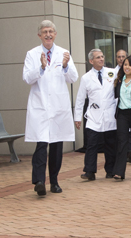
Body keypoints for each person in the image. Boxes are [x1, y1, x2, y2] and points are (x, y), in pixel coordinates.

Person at [23, 20, 78, 196]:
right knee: (41, 145)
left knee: (56, 147)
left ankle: (54, 181)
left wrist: (65, 65)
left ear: (55, 34)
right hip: (40, 107)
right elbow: (27, 78)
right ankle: (39, 181)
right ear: (39, 35)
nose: (48, 34)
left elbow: (73, 78)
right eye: (45, 32)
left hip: (58, 108)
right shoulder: (32, 54)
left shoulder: (64, 53)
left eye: (51, 31)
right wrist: (41, 67)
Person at [74, 49, 117, 181]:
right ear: (91, 61)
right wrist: (77, 118)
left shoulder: (112, 72)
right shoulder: (86, 78)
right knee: (92, 144)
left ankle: (110, 170)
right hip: (94, 115)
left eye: (102, 56)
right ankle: (89, 171)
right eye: (98, 57)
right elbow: (80, 99)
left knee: (110, 144)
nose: (101, 59)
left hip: (110, 114)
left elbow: (127, 78)